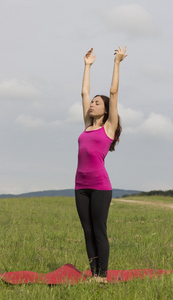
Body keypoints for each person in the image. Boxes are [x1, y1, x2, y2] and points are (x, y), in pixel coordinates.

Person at [75, 46, 127, 283]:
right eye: (92, 102)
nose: (92, 104)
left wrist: (116, 63)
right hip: (80, 186)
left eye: (97, 103)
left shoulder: (108, 127)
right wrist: (87, 66)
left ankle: (102, 276)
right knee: (87, 232)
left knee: (99, 231)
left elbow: (113, 93)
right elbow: (83, 92)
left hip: (100, 187)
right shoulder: (87, 124)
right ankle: (93, 273)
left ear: (106, 110)